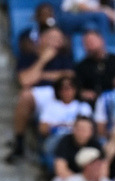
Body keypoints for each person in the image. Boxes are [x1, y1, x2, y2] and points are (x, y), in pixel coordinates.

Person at [5, 25, 74, 164]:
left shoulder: (65, 57)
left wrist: (41, 75)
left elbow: (69, 77)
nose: (57, 41)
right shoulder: (29, 56)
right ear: (42, 39)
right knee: (25, 95)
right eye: (52, 38)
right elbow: (25, 80)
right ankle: (19, 142)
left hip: (61, 92)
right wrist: (43, 60)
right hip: (39, 94)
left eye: (59, 38)